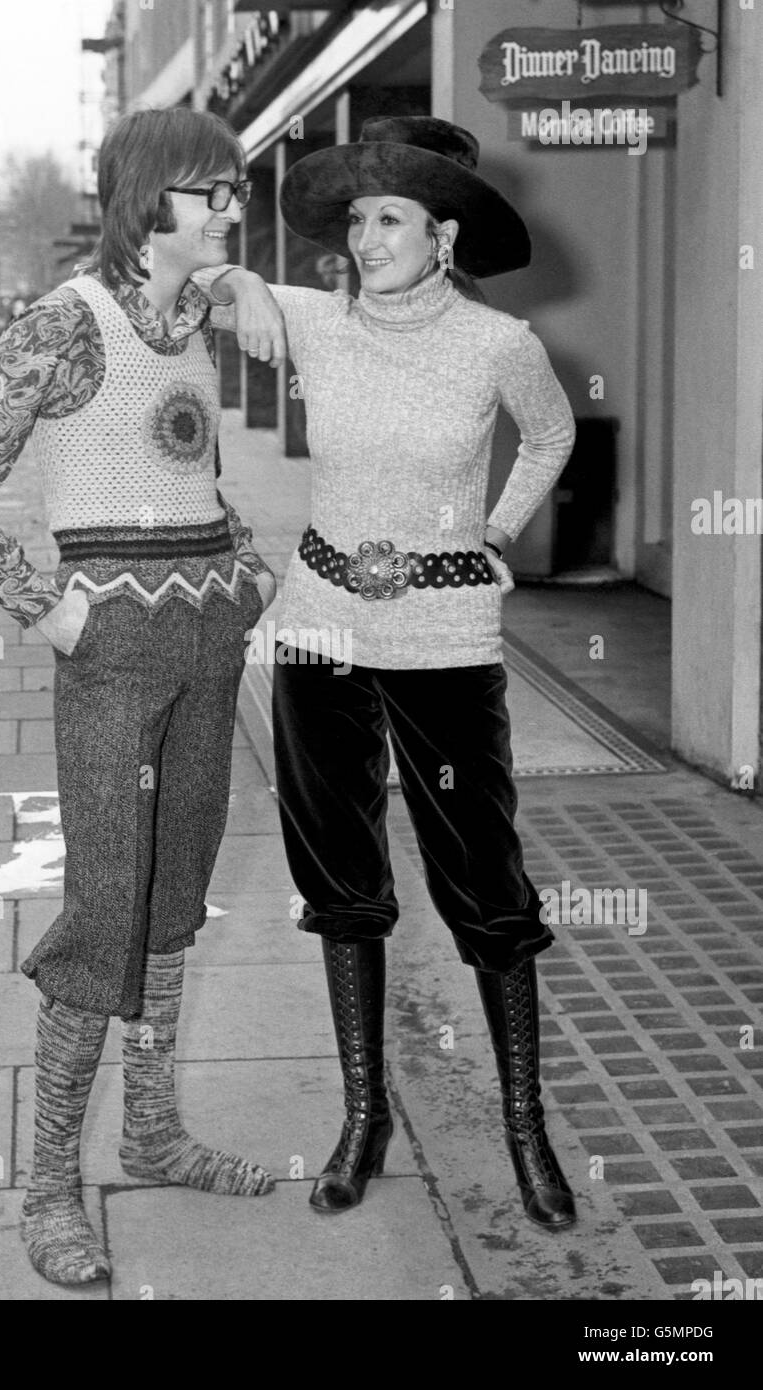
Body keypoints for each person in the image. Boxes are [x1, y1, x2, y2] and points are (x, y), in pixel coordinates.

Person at [0, 107, 280, 1288]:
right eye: (210, 190)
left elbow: (190, 468)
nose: (232, 205)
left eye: (235, 186)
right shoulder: (66, 328)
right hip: (113, 651)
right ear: (143, 201)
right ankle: (48, 1184)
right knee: (106, 907)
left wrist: (249, 562)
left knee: (178, 897)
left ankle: (154, 1129)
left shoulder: (192, 323)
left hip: (211, 642)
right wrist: (41, 605)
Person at [198, 117, 579, 1230]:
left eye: (392, 219)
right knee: (341, 880)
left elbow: (548, 438)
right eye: (357, 219)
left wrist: (499, 528)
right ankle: (363, 1117)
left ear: (443, 236)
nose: (367, 238)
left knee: (486, 885)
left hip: (447, 636)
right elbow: (159, 276)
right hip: (318, 627)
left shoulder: (499, 344)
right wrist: (234, 275)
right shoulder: (311, 320)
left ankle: (525, 1128)